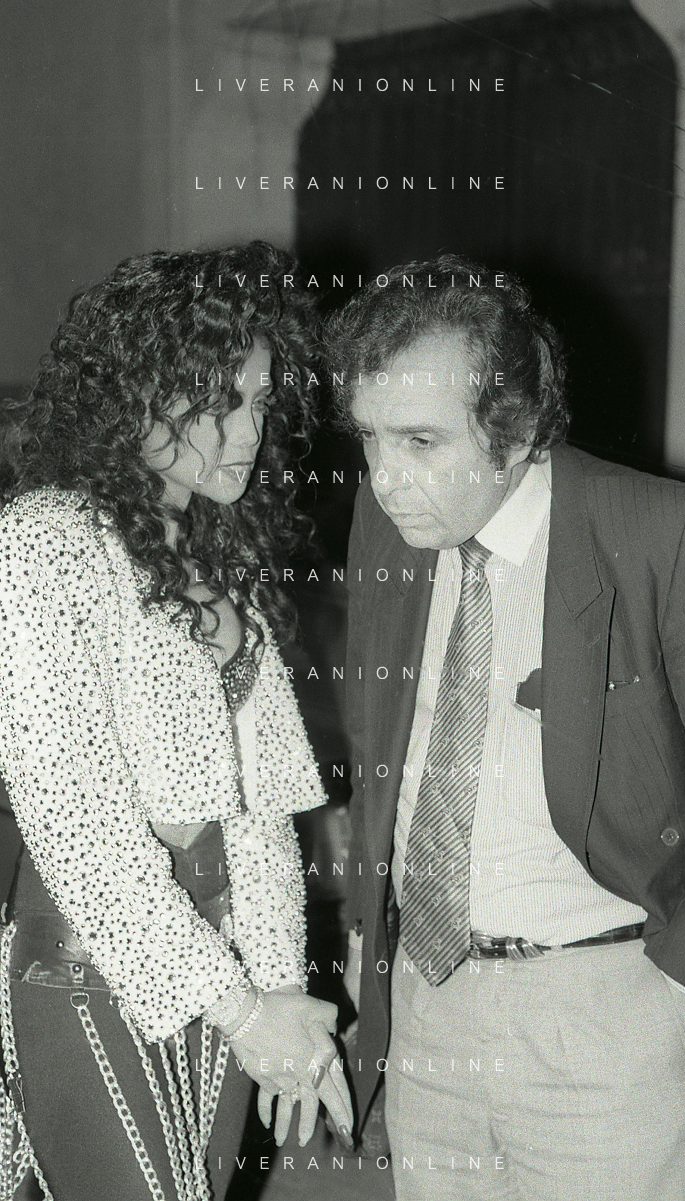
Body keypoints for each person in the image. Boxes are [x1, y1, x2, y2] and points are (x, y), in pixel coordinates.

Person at [324, 255, 685, 1201]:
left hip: (606, 1007)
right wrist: (364, 935)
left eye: (421, 441)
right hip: (427, 1000)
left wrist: (678, 993)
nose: (385, 478)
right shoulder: (387, 532)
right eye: (370, 438)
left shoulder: (667, 533)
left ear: (512, 429)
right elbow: (384, 757)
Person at [0, 242, 353, 1201]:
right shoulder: (46, 540)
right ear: (133, 396)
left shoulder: (224, 560)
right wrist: (244, 1009)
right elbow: (77, 828)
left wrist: (281, 992)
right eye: (219, 401)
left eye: (262, 401)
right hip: (89, 970)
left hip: (226, 971)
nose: (248, 431)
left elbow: (260, 816)